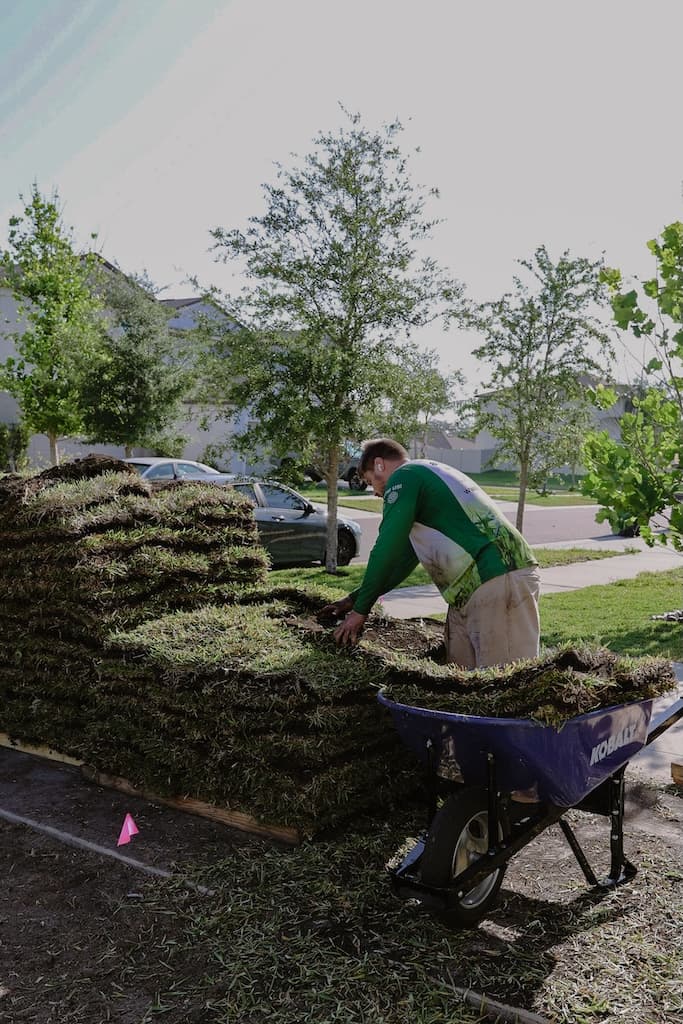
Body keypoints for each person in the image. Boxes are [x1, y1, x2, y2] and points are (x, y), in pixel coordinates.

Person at [324, 438, 540, 668]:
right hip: (473, 588)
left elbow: (386, 547)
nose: (376, 493)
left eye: (370, 482)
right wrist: (354, 599)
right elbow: (400, 562)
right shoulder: (425, 475)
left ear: (379, 465)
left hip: (498, 575)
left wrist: (360, 612)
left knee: (504, 679)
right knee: (461, 678)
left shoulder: (405, 476)